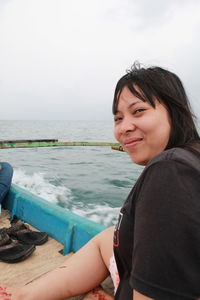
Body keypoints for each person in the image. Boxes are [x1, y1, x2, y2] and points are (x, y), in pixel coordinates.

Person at [0, 62, 200, 300]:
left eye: (138, 111)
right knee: (109, 237)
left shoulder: (170, 171)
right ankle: (26, 294)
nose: (124, 128)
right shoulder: (190, 155)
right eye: (118, 118)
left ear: (176, 111)